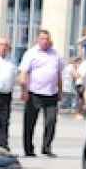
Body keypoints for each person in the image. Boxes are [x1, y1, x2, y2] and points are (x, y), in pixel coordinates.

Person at [18, 29, 63, 157]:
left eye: (47, 39)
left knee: (51, 121)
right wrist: (24, 90)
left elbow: (58, 74)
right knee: (29, 122)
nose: (45, 41)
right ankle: (28, 148)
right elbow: (23, 72)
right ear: (38, 40)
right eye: (42, 39)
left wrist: (60, 90)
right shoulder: (31, 53)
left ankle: (46, 147)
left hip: (51, 93)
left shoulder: (56, 55)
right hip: (34, 93)